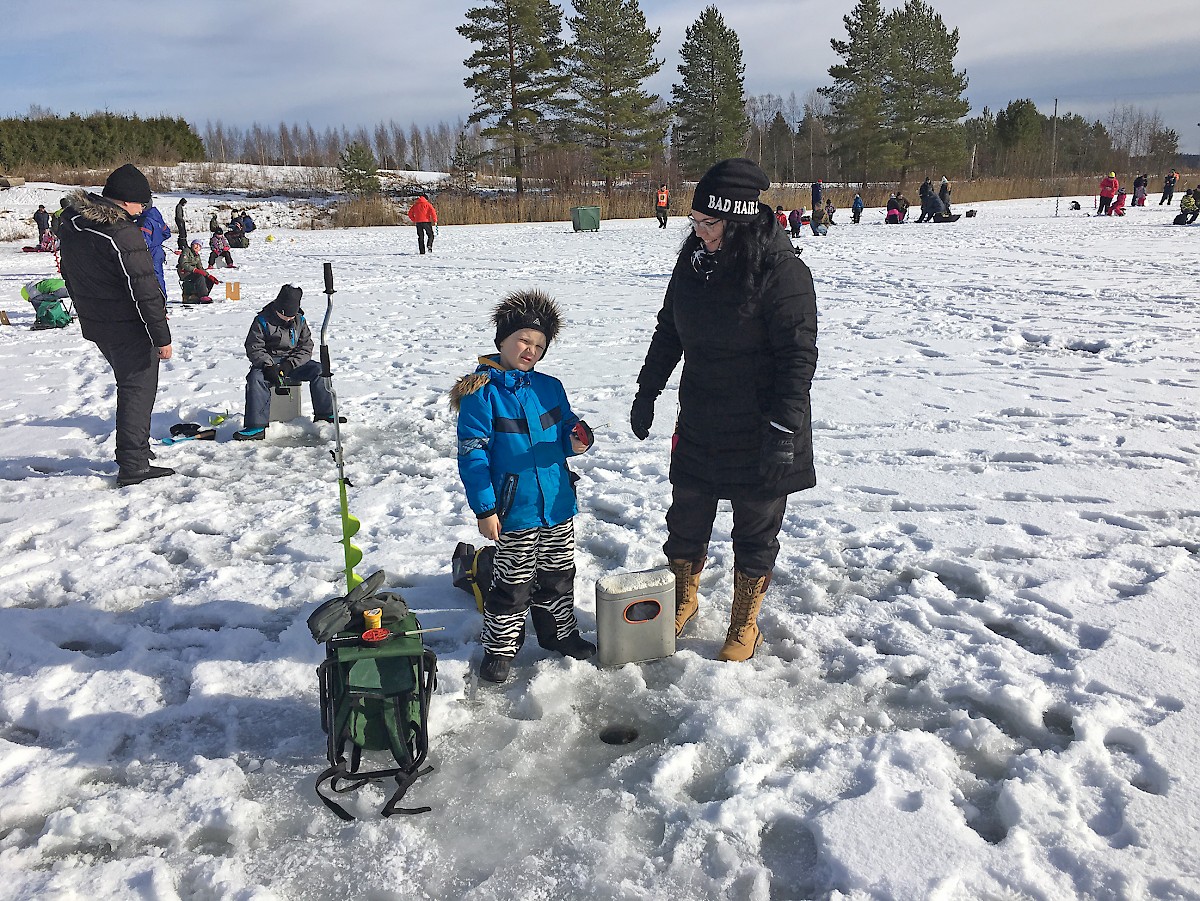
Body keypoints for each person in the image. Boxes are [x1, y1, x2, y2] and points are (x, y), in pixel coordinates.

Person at [629, 158, 818, 662]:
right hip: (702, 418)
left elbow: (798, 357)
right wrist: (647, 390)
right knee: (686, 517)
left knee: (755, 529)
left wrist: (784, 428)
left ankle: (743, 623)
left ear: (738, 222)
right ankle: (684, 598)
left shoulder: (783, 272)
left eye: (709, 224)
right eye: (695, 222)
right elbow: (669, 329)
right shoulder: (693, 263)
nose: (699, 233)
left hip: (763, 426)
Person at [452, 288, 596, 683]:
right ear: (502, 340)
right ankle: (499, 650)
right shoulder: (481, 394)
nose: (530, 349)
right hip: (514, 509)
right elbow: (473, 455)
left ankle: (559, 634)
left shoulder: (550, 387)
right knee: (513, 582)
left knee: (558, 576)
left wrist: (578, 439)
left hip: (557, 502)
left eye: (538, 345)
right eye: (523, 340)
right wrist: (485, 509)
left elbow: (567, 428)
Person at [57, 163, 174, 487]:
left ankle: (137, 450)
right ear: (126, 201)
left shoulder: (74, 223)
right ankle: (133, 463)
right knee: (137, 388)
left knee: (131, 385)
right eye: (143, 203)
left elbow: (69, 273)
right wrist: (161, 336)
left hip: (98, 323)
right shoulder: (122, 232)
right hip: (126, 326)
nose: (144, 209)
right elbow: (145, 289)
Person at [233, 285, 340, 441]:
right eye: (286, 316)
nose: (289, 319)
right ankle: (256, 426)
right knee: (255, 379)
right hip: (268, 362)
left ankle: (325, 414)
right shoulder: (262, 320)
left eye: (292, 315)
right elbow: (254, 347)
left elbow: (306, 347)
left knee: (319, 370)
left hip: (292, 362)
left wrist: (290, 364)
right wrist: (269, 366)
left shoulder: (300, 321)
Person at [138, 203, 172, 296]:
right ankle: (162, 300)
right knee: (159, 276)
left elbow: (144, 243)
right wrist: (157, 240)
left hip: (150, 253)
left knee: (152, 278)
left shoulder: (144, 220)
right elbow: (167, 233)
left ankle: (159, 302)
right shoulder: (156, 216)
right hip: (158, 251)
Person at [177, 239, 216, 304]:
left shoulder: (197, 256)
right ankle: (203, 295)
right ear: (192, 245)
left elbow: (200, 268)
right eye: (196, 244)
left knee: (208, 279)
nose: (197, 247)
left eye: (199, 246)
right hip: (185, 273)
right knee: (200, 277)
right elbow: (183, 263)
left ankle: (200, 296)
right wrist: (194, 270)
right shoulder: (187, 251)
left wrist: (208, 275)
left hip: (193, 273)